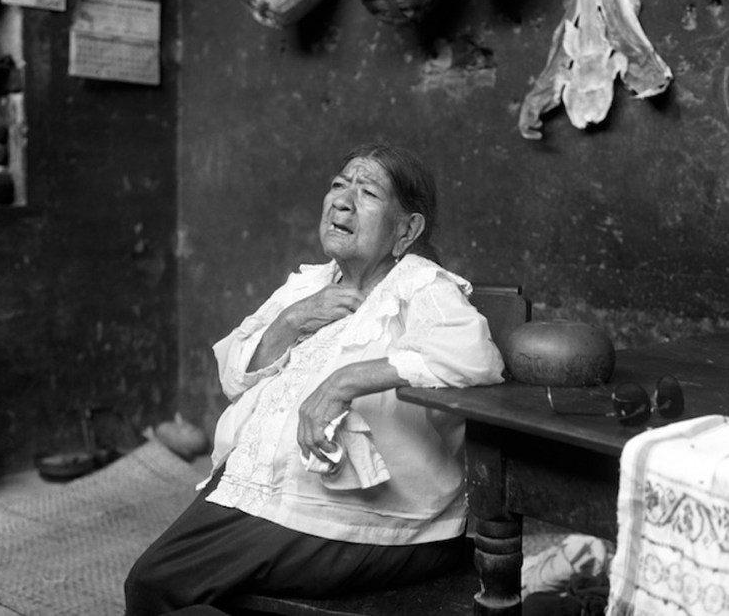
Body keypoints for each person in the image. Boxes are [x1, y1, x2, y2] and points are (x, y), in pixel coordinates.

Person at [124, 143, 505, 615]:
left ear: (407, 229)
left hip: (366, 515)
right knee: (164, 586)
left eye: (367, 192)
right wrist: (292, 321)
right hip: (262, 490)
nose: (342, 201)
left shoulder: (420, 286)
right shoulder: (307, 285)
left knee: (156, 584)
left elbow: (474, 358)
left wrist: (344, 381)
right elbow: (235, 378)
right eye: (338, 185)